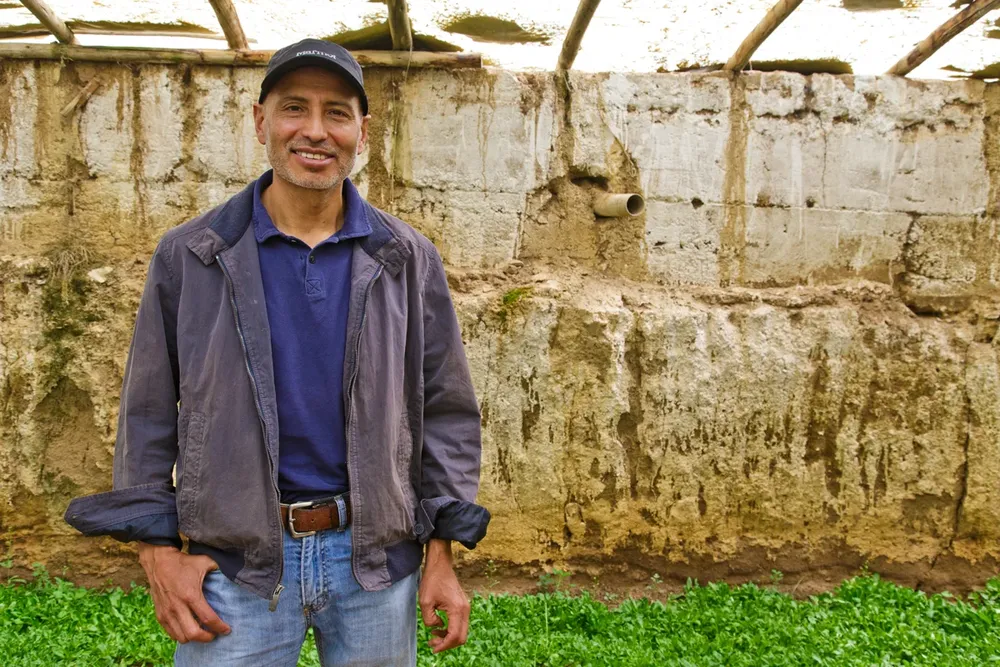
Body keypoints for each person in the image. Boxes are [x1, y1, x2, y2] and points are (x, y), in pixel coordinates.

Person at [65, 38, 489, 666]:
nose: (315, 131)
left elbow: (447, 411)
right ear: (260, 119)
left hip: (374, 563)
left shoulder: (406, 259)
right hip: (237, 567)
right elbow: (148, 413)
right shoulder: (192, 255)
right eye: (294, 107)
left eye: (337, 112)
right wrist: (157, 553)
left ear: (362, 131)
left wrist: (441, 555)